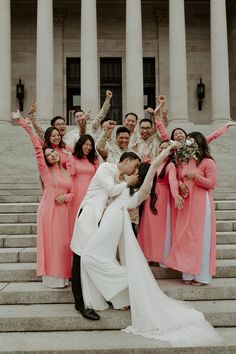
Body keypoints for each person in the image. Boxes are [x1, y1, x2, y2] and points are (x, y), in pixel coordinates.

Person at [80, 141, 221, 347]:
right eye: (134, 167)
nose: (135, 171)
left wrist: (168, 148)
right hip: (107, 225)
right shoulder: (123, 187)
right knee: (92, 259)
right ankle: (122, 294)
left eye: (138, 169)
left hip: (113, 225)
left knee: (89, 258)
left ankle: (130, 279)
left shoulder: (141, 192)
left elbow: (154, 165)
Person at [70, 151, 141, 320]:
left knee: (93, 259)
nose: (135, 169)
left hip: (99, 222)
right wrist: (127, 183)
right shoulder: (105, 168)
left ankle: (96, 297)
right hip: (88, 217)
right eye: (135, 165)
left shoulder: (121, 178)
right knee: (80, 259)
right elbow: (110, 190)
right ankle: (80, 303)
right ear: (126, 160)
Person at [15, 117, 73, 288]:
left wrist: (65, 198)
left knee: (63, 243)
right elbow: (37, 149)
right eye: (48, 155)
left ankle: (64, 275)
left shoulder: (65, 171)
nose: (52, 154)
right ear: (45, 159)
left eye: (53, 152)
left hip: (64, 211)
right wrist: (29, 126)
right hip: (50, 211)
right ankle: (52, 278)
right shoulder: (45, 172)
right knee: (53, 242)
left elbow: (72, 192)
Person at [165, 132, 217, 286]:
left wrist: (196, 178)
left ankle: (201, 276)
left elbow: (212, 183)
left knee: (200, 237)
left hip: (201, 204)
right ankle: (187, 273)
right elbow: (181, 177)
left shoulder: (208, 162)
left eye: (192, 141)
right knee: (186, 237)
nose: (189, 144)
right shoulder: (186, 161)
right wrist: (181, 185)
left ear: (199, 144)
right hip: (187, 203)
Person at [137, 140, 184, 265]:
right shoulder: (152, 162)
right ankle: (146, 254)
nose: (162, 150)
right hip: (149, 197)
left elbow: (173, 182)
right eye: (160, 148)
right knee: (147, 226)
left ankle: (159, 256)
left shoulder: (170, 166)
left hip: (162, 199)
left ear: (170, 152)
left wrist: (176, 195)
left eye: (165, 148)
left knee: (160, 229)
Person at [65, 134, 99, 236]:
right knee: (75, 221)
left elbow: (97, 176)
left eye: (90, 145)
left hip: (91, 194)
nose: (88, 147)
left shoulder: (93, 159)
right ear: (80, 144)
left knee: (89, 222)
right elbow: (71, 172)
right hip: (77, 194)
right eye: (86, 144)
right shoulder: (73, 158)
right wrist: (70, 158)